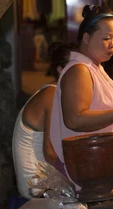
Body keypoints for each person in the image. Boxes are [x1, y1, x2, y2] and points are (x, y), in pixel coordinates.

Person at [49, 5, 113, 183]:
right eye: (106, 38)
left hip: (100, 164)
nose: (112, 44)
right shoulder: (79, 70)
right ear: (87, 38)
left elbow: (98, 109)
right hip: (87, 169)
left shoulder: (95, 66)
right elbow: (75, 119)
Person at [12, 41, 76, 199]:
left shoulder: (57, 91)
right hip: (35, 184)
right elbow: (50, 153)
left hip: (43, 176)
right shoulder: (52, 96)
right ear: (61, 70)